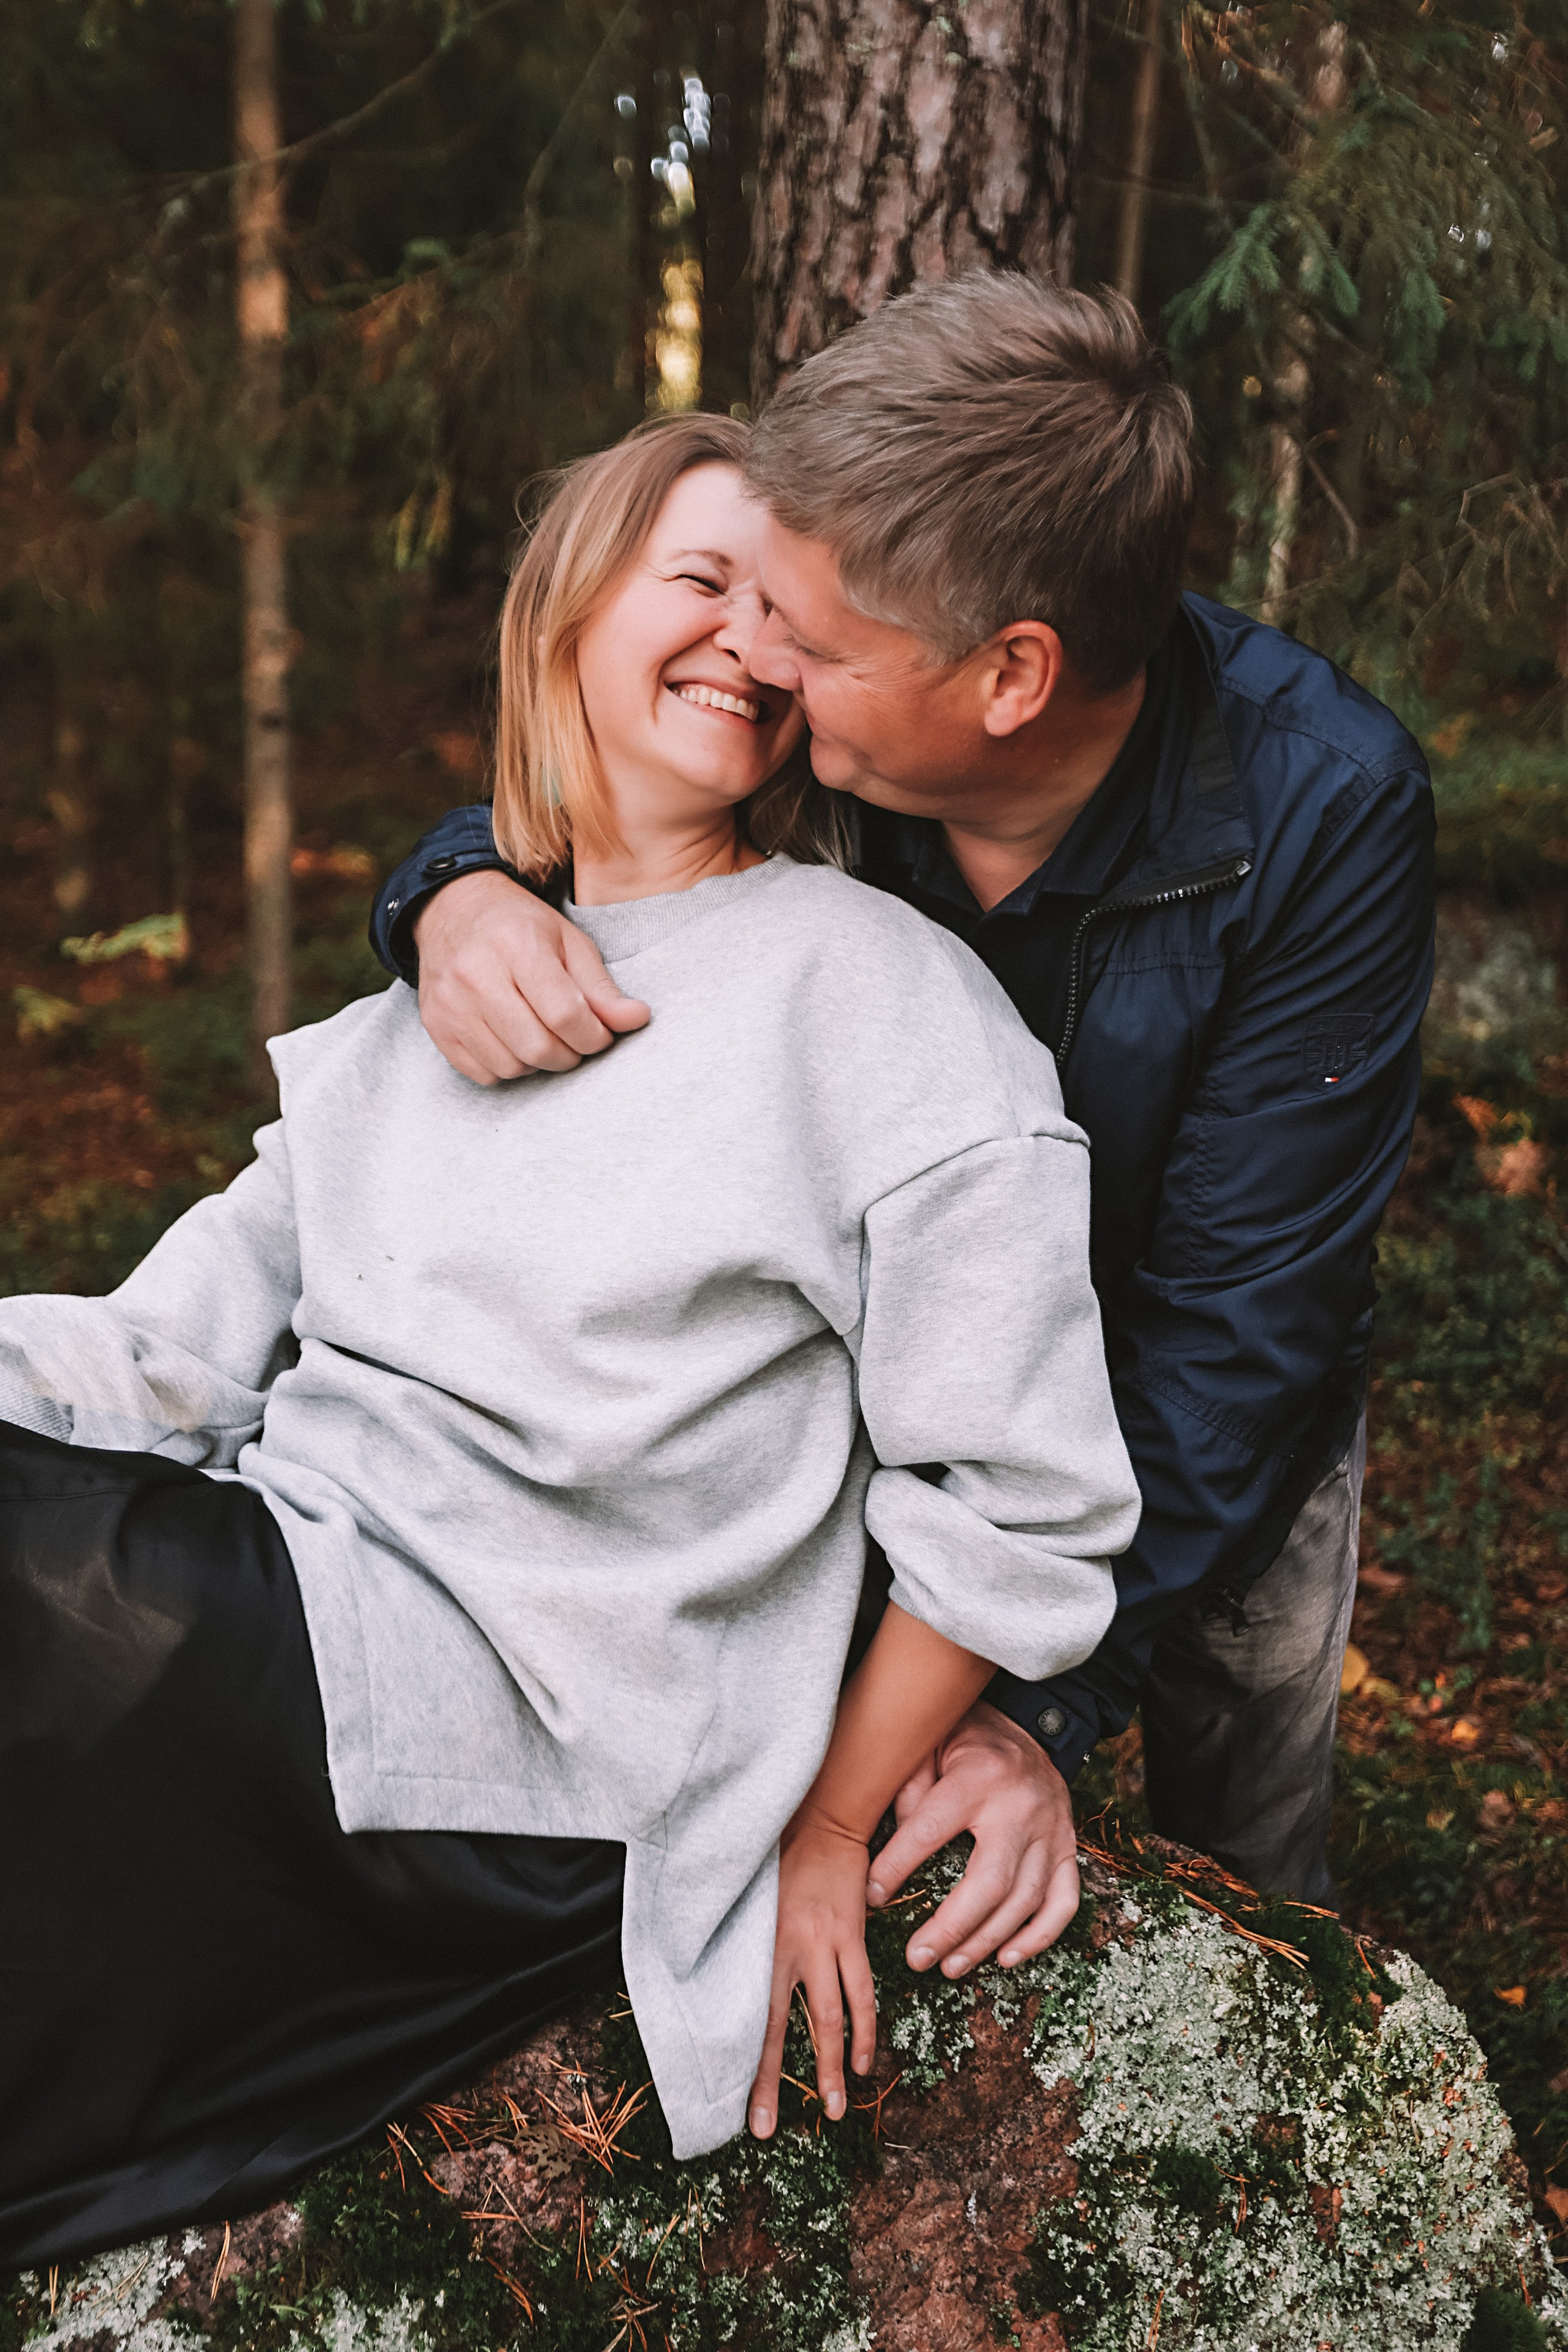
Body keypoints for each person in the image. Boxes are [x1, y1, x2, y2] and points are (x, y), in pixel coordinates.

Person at [0, 413, 1139, 2267]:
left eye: (787, 617)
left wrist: (834, 1821)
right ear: (565, 613)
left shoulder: (880, 996)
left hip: (545, 1733)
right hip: (296, 1616)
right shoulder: (423, 1011)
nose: (751, 644)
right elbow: (161, 1353)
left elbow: (1030, 1502)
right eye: (705, 582)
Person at [375, 273, 1436, 1932]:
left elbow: (1240, 1340)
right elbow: (597, 787)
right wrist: (447, 892)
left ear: (1010, 678)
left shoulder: (1324, 813)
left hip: (1205, 1439)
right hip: (883, 1415)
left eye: (809, 634)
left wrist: (1034, 1715)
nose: (761, 655)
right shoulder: (852, 735)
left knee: (1241, 1867)